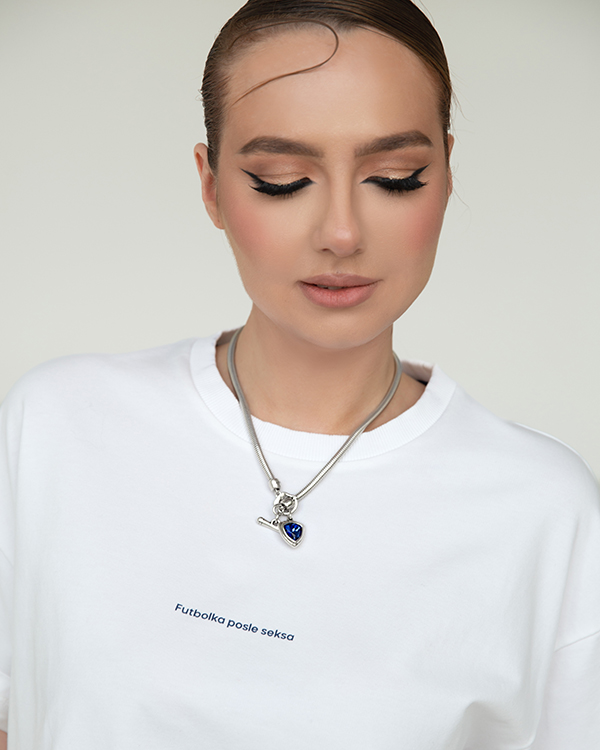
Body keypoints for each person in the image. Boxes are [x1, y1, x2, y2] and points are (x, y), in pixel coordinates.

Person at [0, 0, 599, 747]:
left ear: (446, 175)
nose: (341, 233)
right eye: (281, 180)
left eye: (395, 177)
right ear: (212, 186)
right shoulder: (58, 428)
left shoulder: (544, 508)